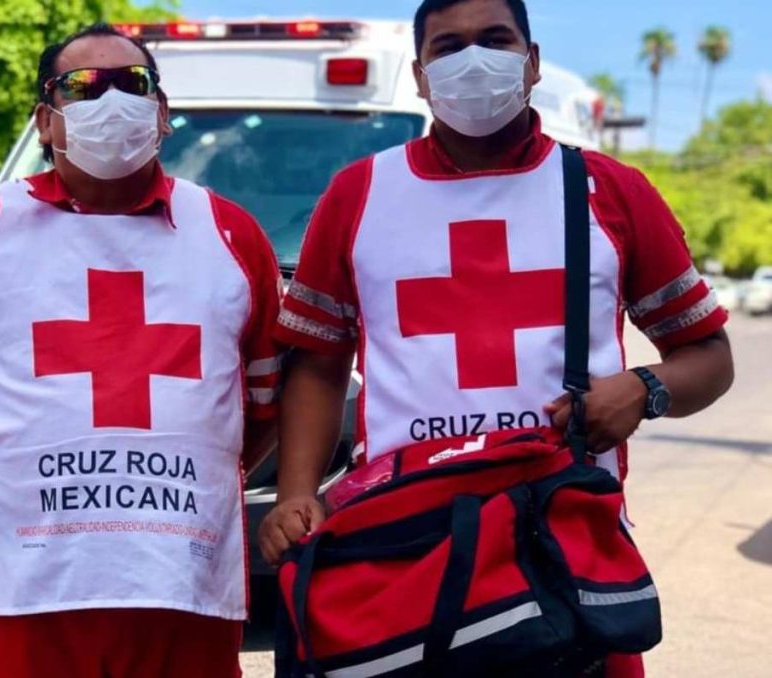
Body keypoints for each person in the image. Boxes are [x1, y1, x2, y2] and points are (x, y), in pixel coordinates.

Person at [259, 0, 735, 675]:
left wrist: (646, 388)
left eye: (494, 39)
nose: (472, 60)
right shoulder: (359, 194)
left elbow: (710, 355)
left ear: (532, 63)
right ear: (421, 76)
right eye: (447, 47)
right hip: (403, 550)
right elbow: (319, 361)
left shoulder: (608, 190)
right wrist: (297, 493)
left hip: (564, 550)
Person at [0, 23, 282, 678]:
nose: (111, 100)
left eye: (134, 84)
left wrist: (193, 477)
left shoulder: (230, 233)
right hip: (19, 597)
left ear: (163, 112)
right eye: (83, 87)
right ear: (46, 120)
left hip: (181, 591)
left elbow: (264, 409)